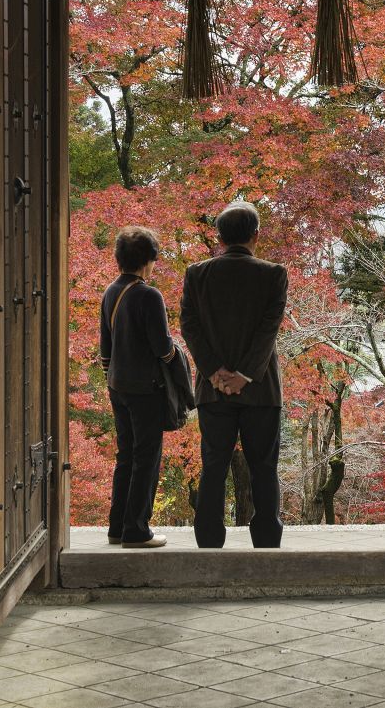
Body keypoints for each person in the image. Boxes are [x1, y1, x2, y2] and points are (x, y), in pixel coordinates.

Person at [181, 200, 289, 548]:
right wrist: (246, 374)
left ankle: (209, 537)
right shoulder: (273, 274)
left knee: (213, 464)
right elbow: (268, 328)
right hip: (261, 390)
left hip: (213, 390)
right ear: (256, 236)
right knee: (263, 466)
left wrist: (214, 372)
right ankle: (267, 536)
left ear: (220, 237)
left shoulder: (197, 273)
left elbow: (189, 326)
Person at [100, 225, 177, 549]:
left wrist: (113, 373)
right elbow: (163, 347)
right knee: (147, 456)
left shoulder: (110, 292)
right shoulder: (148, 295)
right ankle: (137, 529)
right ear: (149, 259)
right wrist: (176, 358)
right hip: (145, 387)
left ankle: (118, 526)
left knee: (126, 455)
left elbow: (105, 347)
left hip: (117, 384)